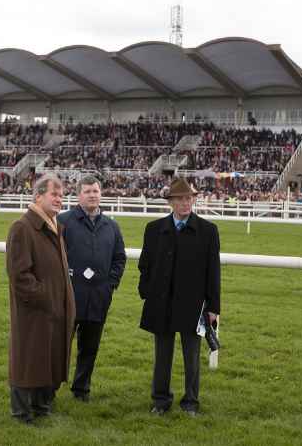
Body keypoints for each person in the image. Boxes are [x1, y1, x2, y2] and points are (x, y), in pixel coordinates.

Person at [138, 177, 221, 416]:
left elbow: (213, 272)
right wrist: (146, 293)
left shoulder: (208, 231)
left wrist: (213, 306)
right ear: (171, 202)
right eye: (180, 199)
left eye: (189, 198)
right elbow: (145, 265)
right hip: (161, 303)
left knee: (191, 357)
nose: (186, 202)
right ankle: (161, 401)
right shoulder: (154, 229)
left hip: (193, 305)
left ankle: (190, 402)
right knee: (162, 356)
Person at [5, 173, 76, 424]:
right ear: (38, 196)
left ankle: (41, 406)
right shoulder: (22, 228)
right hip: (34, 310)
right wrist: (46, 298)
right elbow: (20, 276)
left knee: (46, 358)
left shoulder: (53, 227)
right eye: (54, 194)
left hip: (54, 309)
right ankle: (21, 412)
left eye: (61, 195)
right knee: (28, 359)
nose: (59, 199)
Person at [58, 174, 126, 402]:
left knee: (90, 347)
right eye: (87, 191)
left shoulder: (112, 226)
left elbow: (119, 258)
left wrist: (110, 284)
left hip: (98, 297)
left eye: (95, 191)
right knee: (60, 345)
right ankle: (50, 387)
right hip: (69, 296)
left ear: (101, 194)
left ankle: (81, 389)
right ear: (79, 195)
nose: (92, 195)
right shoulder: (64, 221)